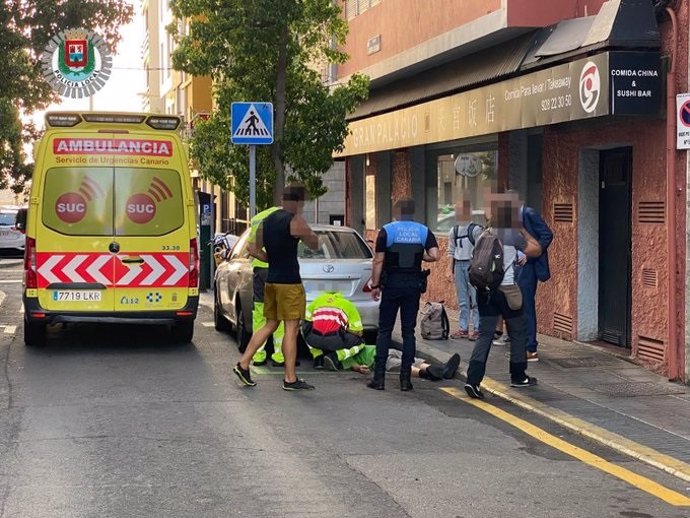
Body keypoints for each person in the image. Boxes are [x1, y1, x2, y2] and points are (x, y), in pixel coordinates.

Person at [233, 185, 319, 391]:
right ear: (298, 202)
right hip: (289, 283)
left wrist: (271, 259)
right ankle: (290, 378)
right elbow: (314, 244)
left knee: (269, 324)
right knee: (291, 328)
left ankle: (243, 363)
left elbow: (252, 248)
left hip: (271, 281)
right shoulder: (295, 221)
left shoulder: (267, 220)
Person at [464, 195, 537, 400]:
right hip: (507, 291)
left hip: (485, 291)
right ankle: (518, 375)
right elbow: (535, 247)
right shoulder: (512, 235)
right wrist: (521, 230)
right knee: (518, 332)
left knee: (485, 335)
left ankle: (473, 380)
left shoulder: (483, 234)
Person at [368, 198, 440, 392]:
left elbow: (378, 261)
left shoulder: (387, 230)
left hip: (391, 284)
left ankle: (379, 378)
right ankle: (406, 380)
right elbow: (435, 255)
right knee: (409, 331)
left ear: (396, 212)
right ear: (413, 212)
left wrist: (375, 285)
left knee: (385, 330)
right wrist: (420, 256)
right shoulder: (423, 231)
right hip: (412, 286)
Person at [247, 206, 285, 367]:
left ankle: (259, 355)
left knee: (260, 314)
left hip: (259, 271)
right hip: (277, 271)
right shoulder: (284, 219)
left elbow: (250, 248)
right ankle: (279, 355)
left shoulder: (258, 218)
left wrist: (263, 258)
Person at [517, 197, 553, 362]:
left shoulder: (529, 213)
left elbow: (547, 235)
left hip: (528, 267)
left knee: (526, 306)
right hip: (515, 266)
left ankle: (531, 348)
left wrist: (529, 254)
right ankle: (521, 344)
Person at [302, 290, 366, 371]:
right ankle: (335, 356)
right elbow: (359, 332)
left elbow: (305, 320)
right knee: (361, 342)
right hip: (334, 341)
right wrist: (344, 328)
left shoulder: (317, 301)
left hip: (314, 339)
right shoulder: (348, 304)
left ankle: (318, 358)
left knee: (304, 328)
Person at [448, 198, 483, 340]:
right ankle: (463, 328)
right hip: (458, 265)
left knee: (475, 299)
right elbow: (451, 251)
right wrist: (448, 269)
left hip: (472, 265)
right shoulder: (454, 230)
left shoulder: (476, 229)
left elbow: (481, 250)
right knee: (462, 299)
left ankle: (477, 328)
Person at [344, 345, 460, 382]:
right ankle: (426, 372)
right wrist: (359, 368)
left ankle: (439, 369)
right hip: (378, 358)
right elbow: (355, 366)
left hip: (385, 350)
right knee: (403, 364)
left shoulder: (351, 343)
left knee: (410, 360)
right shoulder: (344, 357)